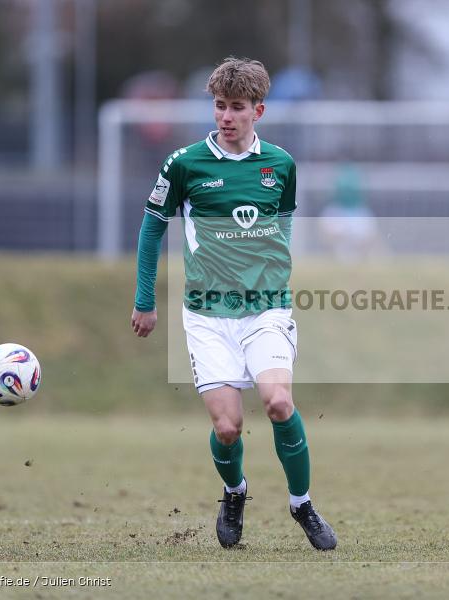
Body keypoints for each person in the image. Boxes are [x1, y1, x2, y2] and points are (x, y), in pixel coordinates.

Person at [130, 57, 337, 551]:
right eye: (220, 106)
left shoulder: (281, 165)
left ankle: (302, 503)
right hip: (206, 315)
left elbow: (281, 227)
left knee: (279, 402)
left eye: (237, 107)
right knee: (227, 427)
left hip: (266, 310)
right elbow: (152, 229)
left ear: (258, 111)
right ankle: (235, 492)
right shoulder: (184, 164)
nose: (226, 116)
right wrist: (145, 301)